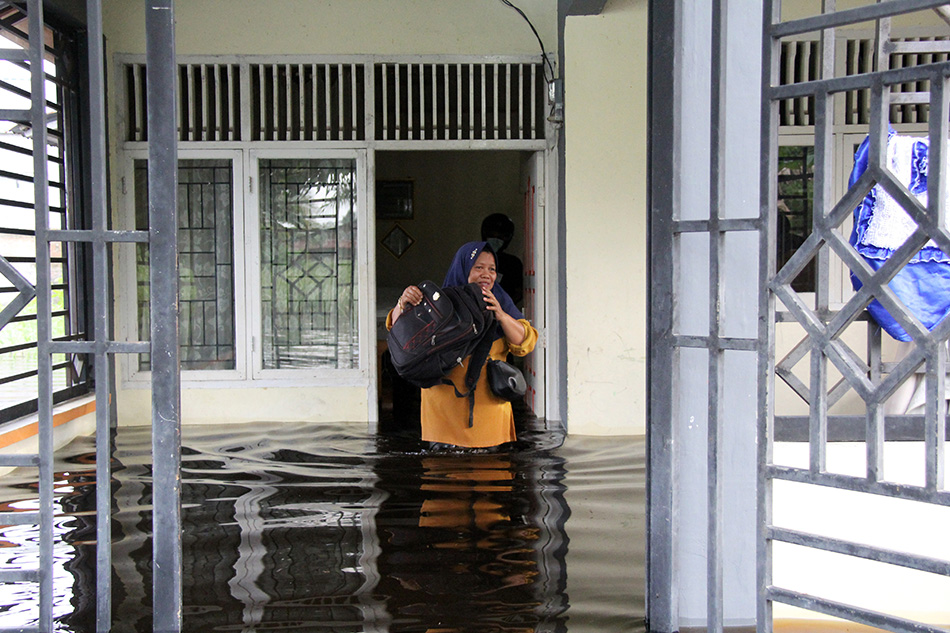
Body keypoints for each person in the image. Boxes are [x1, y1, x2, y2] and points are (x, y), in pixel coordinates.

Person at [388, 241, 538, 448]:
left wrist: (501, 315)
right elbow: (401, 336)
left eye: (492, 269)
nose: (486, 274)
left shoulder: (500, 301)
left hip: (489, 410)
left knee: (492, 474)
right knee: (441, 474)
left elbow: (525, 342)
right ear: (463, 268)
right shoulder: (440, 302)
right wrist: (401, 304)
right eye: (478, 267)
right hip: (443, 409)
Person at [481, 213, 524, 307]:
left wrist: (504, 307)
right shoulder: (473, 258)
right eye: (492, 234)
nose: (496, 239)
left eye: (501, 236)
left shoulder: (513, 263)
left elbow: (518, 292)